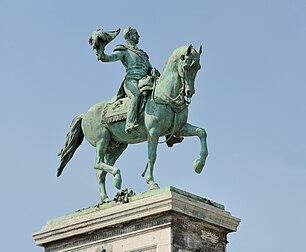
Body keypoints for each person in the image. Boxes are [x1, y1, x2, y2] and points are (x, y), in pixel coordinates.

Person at [96, 26, 153, 133]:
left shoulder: (142, 54)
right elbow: (109, 58)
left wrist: (154, 71)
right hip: (131, 81)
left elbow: (150, 68)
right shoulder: (124, 51)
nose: (138, 36)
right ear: (129, 35)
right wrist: (101, 53)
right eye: (136, 34)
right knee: (136, 96)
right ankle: (130, 123)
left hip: (145, 80)